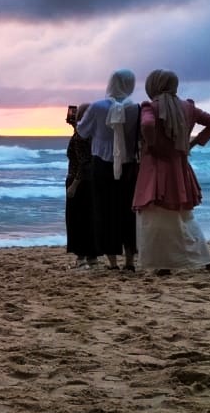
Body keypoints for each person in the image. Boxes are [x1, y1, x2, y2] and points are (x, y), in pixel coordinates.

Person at [133, 70, 210, 275]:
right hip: (179, 165)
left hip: (155, 166)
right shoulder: (188, 107)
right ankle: (206, 260)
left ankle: (164, 264)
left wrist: (152, 143)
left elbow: (147, 124)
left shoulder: (150, 107)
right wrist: (192, 143)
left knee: (157, 216)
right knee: (184, 216)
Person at [77, 69, 141, 271]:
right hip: (129, 165)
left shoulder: (97, 106)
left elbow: (82, 131)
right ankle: (130, 261)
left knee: (105, 213)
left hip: (102, 165)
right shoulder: (136, 108)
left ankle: (113, 262)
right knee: (128, 213)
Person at [65, 103, 97, 268]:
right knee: (88, 219)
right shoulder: (91, 134)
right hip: (90, 182)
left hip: (78, 181)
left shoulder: (79, 136)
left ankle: (81, 258)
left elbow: (84, 163)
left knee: (77, 220)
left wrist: (74, 185)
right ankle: (91, 257)